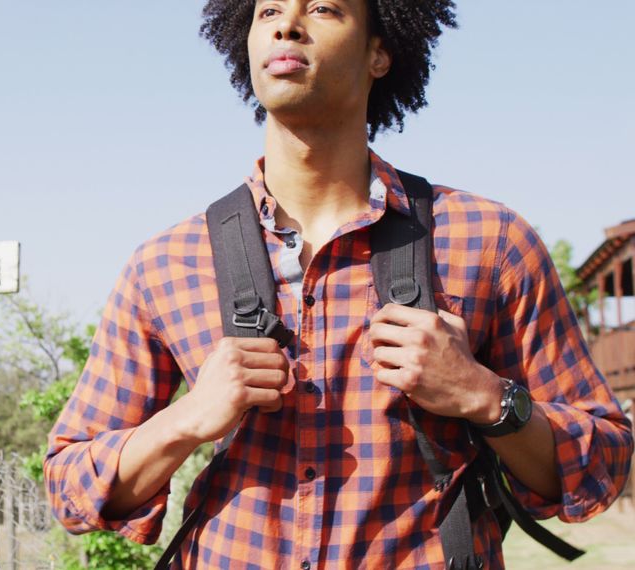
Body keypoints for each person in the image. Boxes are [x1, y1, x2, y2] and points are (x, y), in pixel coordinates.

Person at [43, 1, 634, 567]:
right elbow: (71, 486)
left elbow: (604, 463)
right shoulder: (167, 263)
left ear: (379, 52)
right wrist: (188, 419)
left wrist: (481, 395)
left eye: (323, 9)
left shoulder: (489, 241)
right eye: (268, 12)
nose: (287, 27)